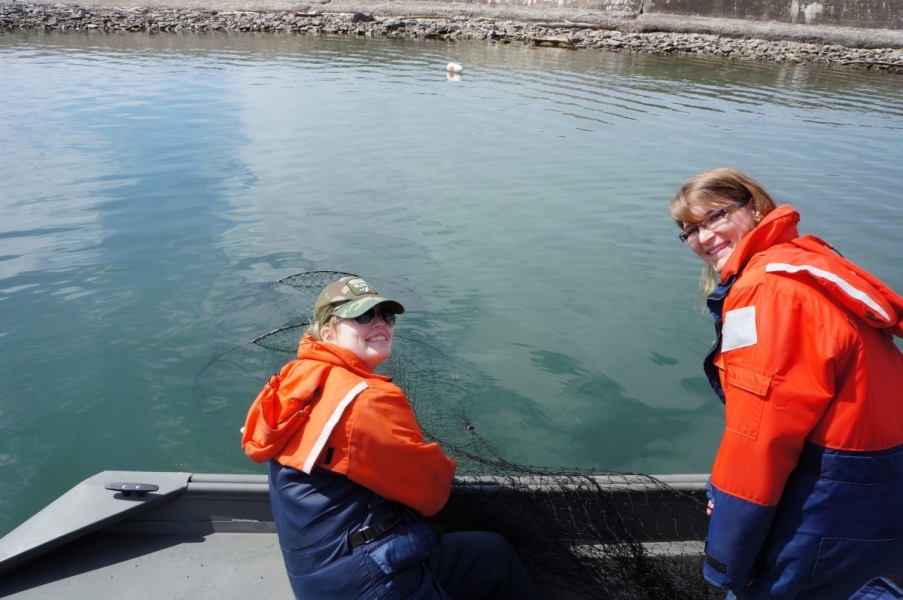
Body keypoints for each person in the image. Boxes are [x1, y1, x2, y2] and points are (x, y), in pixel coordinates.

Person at [669, 168, 903, 599]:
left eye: (714, 217)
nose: (703, 238)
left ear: (755, 208)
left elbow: (760, 441)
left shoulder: (768, 295)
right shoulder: (805, 264)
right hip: (876, 496)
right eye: (689, 231)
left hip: (826, 509)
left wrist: (728, 564)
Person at [241, 275, 541, 599]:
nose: (379, 323)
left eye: (386, 316)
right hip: (370, 581)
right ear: (327, 332)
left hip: (318, 578)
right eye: (362, 316)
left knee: (491, 554)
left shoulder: (294, 380)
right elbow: (431, 494)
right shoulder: (364, 398)